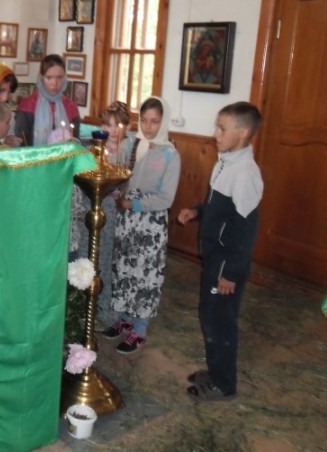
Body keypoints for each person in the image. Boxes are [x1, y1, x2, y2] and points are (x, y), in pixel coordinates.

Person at [178, 102, 263, 401]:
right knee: (209, 315)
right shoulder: (225, 162)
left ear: (243, 132)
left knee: (220, 321)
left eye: (222, 129)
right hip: (216, 260)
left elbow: (245, 230)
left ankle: (223, 383)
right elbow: (218, 208)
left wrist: (231, 274)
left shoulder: (245, 174)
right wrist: (196, 211)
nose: (216, 133)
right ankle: (216, 371)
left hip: (227, 266)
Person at [102, 96, 180, 354]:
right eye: (144, 120)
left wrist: (133, 204)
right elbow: (122, 175)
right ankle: (124, 318)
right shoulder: (132, 145)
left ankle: (140, 329)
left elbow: (166, 198)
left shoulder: (170, 154)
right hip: (127, 221)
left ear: (163, 122)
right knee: (125, 268)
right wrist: (116, 189)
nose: (148, 127)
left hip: (149, 224)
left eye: (154, 121)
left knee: (144, 275)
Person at [70, 101, 131, 326]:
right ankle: (80, 306)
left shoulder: (125, 152)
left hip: (110, 210)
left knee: (104, 259)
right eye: (107, 124)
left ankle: (103, 309)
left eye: (116, 125)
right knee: (85, 256)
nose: (111, 130)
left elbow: (124, 185)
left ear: (125, 128)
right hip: (89, 207)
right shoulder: (92, 150)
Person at [14, 54, 81, 146]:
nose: (55, 83)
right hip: (34, 155)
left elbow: (76, 142)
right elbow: (21, 141)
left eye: (59, 77)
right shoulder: (28, 105)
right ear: (41, 78)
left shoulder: (70, 106)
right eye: (49, 78)